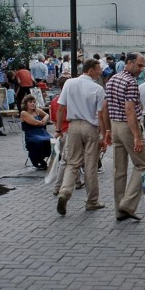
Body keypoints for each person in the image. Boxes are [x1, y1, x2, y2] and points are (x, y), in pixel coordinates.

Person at [55, 58, 108, 215]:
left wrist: (58, 129)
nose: (100, 72)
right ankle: (92, 201)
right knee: (90, 165)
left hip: (73, 126)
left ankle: (65, 191)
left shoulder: (69, 83)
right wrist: (103, 135)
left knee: (72, 162)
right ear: (90, 70)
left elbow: (61, 108)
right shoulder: (98, 89)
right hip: (90, 127)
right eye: (98, 69)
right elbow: (101, 115)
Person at [106, 53, 145, 221]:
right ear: (129, 63)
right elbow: (130, 110)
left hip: (115, 124)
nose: (141, 69)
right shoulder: (130, 82)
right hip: (127, 126)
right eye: (139, 65)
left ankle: (120, 209)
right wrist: (137, 136)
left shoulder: (113, 79)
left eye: (143, 66)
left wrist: (108, 131)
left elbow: (106, 106)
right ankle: (128, 204)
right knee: (143, 165)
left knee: (119, 169)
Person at [50, 76, 83, 196]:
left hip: (60, 132)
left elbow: (53, 118)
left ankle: (78, 181)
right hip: (70, 131)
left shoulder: (54, 101)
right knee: (66, 160)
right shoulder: (71, 101)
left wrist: (58, 129)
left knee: (72, 156)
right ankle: (57, 186)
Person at [20, 94, 52, 170]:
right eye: (30, 102)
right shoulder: (24, 113)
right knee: (39, 141)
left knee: (52, 141)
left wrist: (44, 119)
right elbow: (35, 123)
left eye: (34, 102)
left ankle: (55, 158)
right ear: (26, 103)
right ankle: (37, 160)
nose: (33, 104)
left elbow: (47, 115)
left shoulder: (37, 110)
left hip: (42, 132)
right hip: (31, 134)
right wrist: (42, 122)